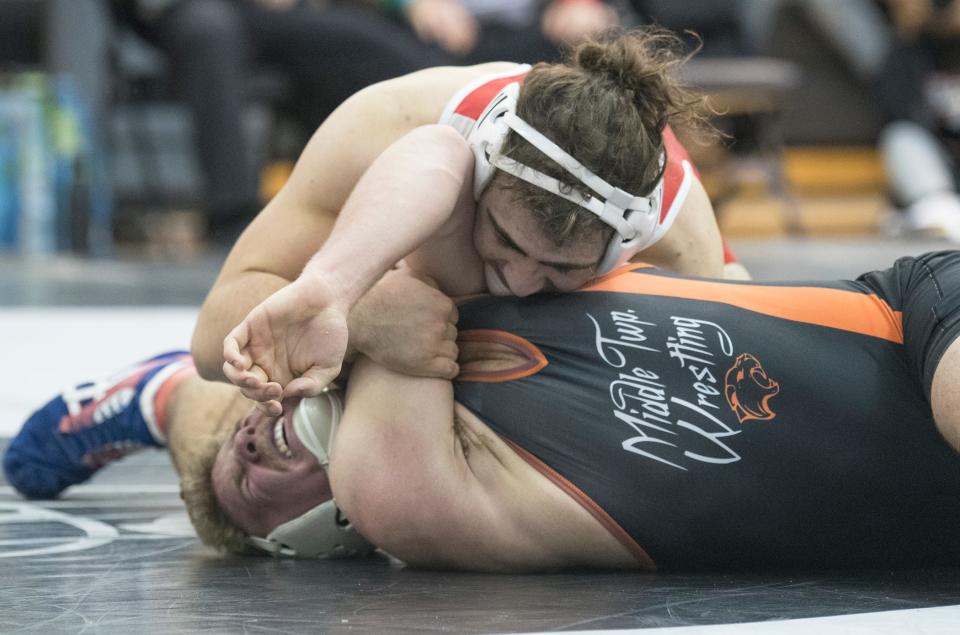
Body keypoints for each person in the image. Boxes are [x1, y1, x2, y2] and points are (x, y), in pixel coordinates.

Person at [7, 252, 960, 571]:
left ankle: (166, 387)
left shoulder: (426, 287)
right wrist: (362, 293)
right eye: (259, 471)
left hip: (915, 319)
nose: (257, 433)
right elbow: (403, 295)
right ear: (318, 532)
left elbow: (434, 165)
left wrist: (344, 285)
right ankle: (163, 390)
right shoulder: (412, 498)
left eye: (249, 424)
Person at [196, 29, 743, 415]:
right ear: (483, 172)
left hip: (567, 370)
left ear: (624, 240)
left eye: (559, 267)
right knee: (256, 458)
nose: (523, 281)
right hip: (413, 313)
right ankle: (156, 399)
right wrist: (359, 312)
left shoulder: (677, 237)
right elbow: (210, 337)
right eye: (507, 239)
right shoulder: (385, 123)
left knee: (733, 301)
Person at [110, 0, 440, 240]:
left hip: (275, 12)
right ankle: (233, 220)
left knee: (376, 47)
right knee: (209, 31)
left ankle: (362, 209)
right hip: (187, 11)